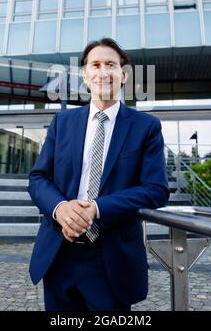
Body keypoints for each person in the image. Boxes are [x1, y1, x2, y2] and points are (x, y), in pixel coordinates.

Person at [28, 37, 169, 312]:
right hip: (59, 252)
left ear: (123, 75)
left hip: (111, 259)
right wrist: (60, 208)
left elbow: (156, 189)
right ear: (85, 74)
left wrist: (96, 208)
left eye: (111, 65)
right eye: (95, 65)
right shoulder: (62, 122)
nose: (103, 72)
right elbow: (38, 178)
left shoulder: (146, 127)